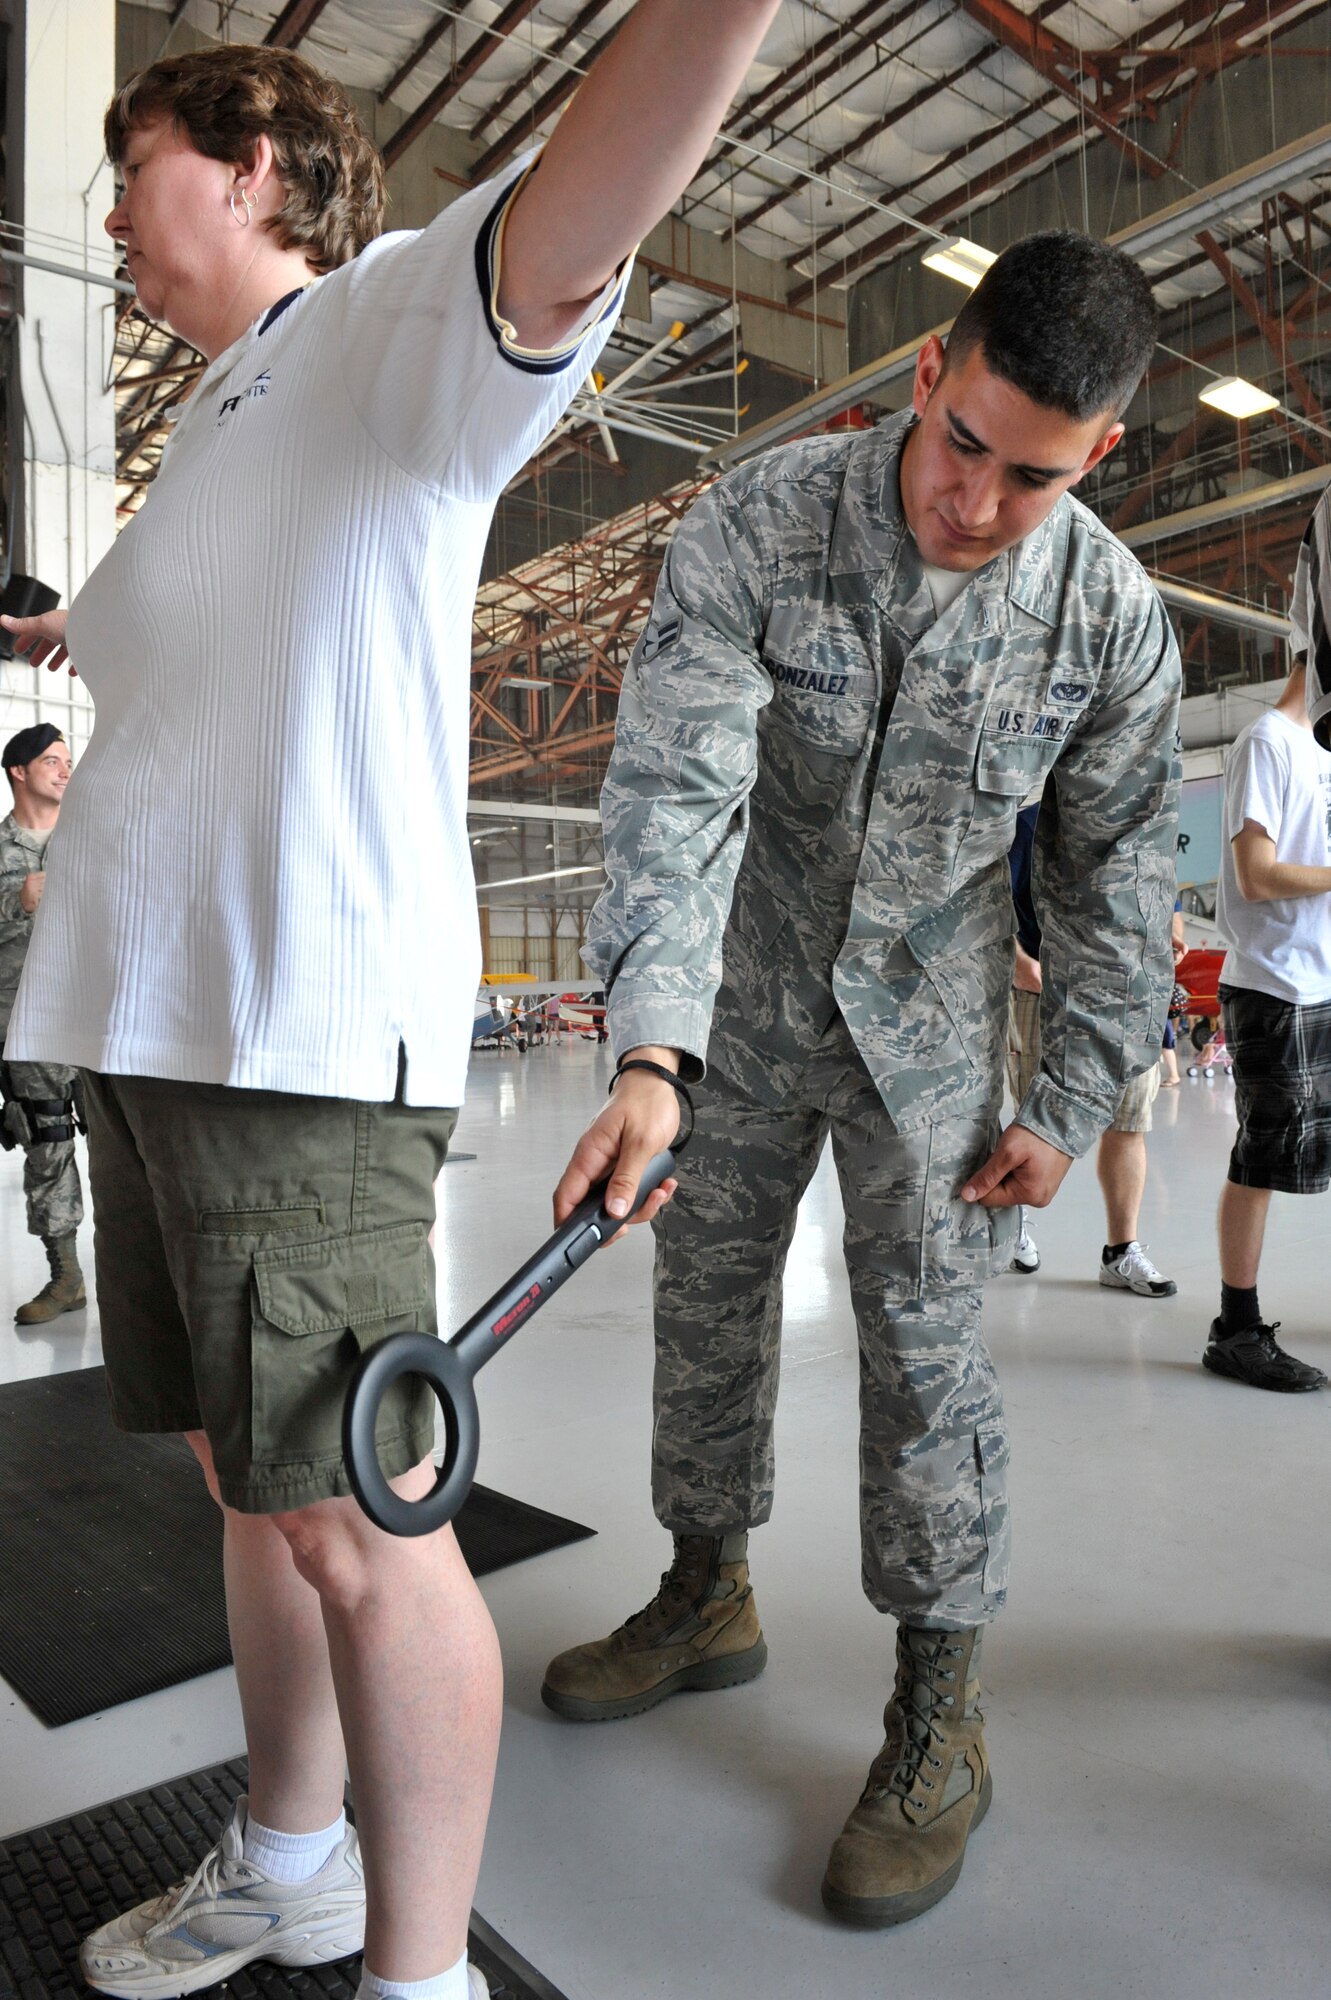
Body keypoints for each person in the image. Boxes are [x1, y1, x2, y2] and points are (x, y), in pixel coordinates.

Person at [1, 14, 781, 2000]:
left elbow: (571, 225)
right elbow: (161, 648)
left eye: (138, 164)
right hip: (165, 1031)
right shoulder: (223, 424)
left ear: (258, 163)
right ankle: (289, 1858)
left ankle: (415, 1973)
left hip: (298, 1043)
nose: (108, 208)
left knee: (358, 1516)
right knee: (254, 1493)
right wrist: (53, 629)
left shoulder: (377, 328)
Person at [542, 231, 1181, 1927]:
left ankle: (937, 1716)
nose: (973, 498)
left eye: (1031, 475)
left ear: (1098, 452)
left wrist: (1069, 1102)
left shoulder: (1109, 616)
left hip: (937, 1044)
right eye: (963, 442)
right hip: (739, 1007)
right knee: (708, 1304)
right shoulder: (761, 521)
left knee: (924, 1362)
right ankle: (704, 1594)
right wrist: (650, 1049)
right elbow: (673, 791)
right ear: (924, 370)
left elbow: (1116, 883)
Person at [1202, 654, 1330, 1392]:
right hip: (1276, 984)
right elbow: (1257, 873)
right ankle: (1235, 1327)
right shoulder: (1265, 741)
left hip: (1322, 979)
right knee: (1262, 1156)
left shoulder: (1318, 746)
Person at [1005, 796, 1177, 1297]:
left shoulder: (1141, 814)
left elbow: (1161, 900)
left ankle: (1121, 1251)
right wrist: (1019, 962)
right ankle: (1011, 1231)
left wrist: (1166, 953)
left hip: (1128, 993)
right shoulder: (1028, 822)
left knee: (1129, 1124)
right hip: (1044, 989)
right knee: (1030, 1117)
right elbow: (996, 902)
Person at [0, 723, 86, 1324]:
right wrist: (15, 902)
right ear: (19, 771)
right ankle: (67, 1280)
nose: (64, 770)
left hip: (104, 1025)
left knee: (140, 1152)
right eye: (53, 761)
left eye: (68, 761)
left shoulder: (92, 839)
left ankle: (158, 1287)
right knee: (48, 1150)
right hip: (29, 1028)